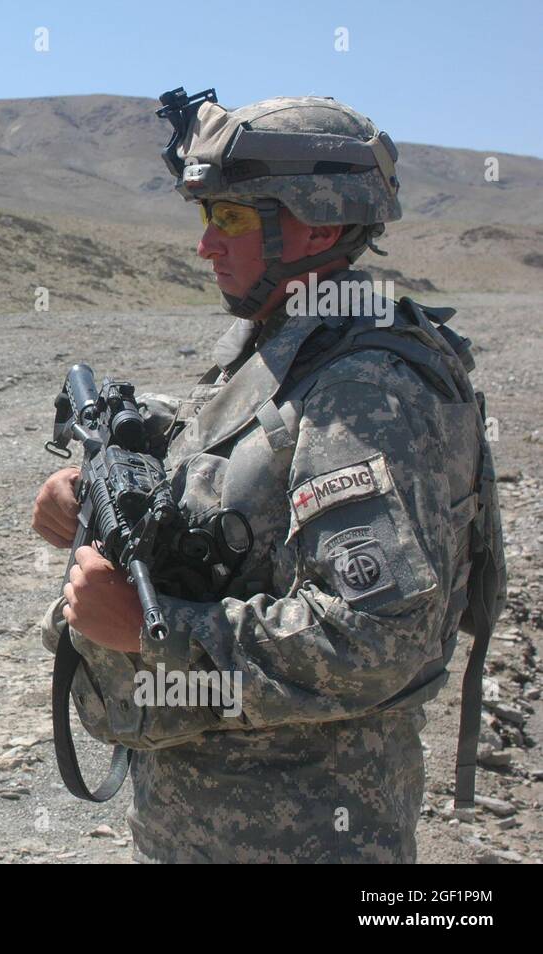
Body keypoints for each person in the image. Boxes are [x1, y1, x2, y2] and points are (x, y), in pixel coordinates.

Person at [31, 92, 506, 862]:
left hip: (303, 831)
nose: (205, 247)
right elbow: (240, 446)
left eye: (232, 220)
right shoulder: (291, 337)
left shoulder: (366, 389)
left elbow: (376, 638)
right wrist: (91, 486)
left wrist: (154, 634)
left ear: (316, 225)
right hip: (213, 823)